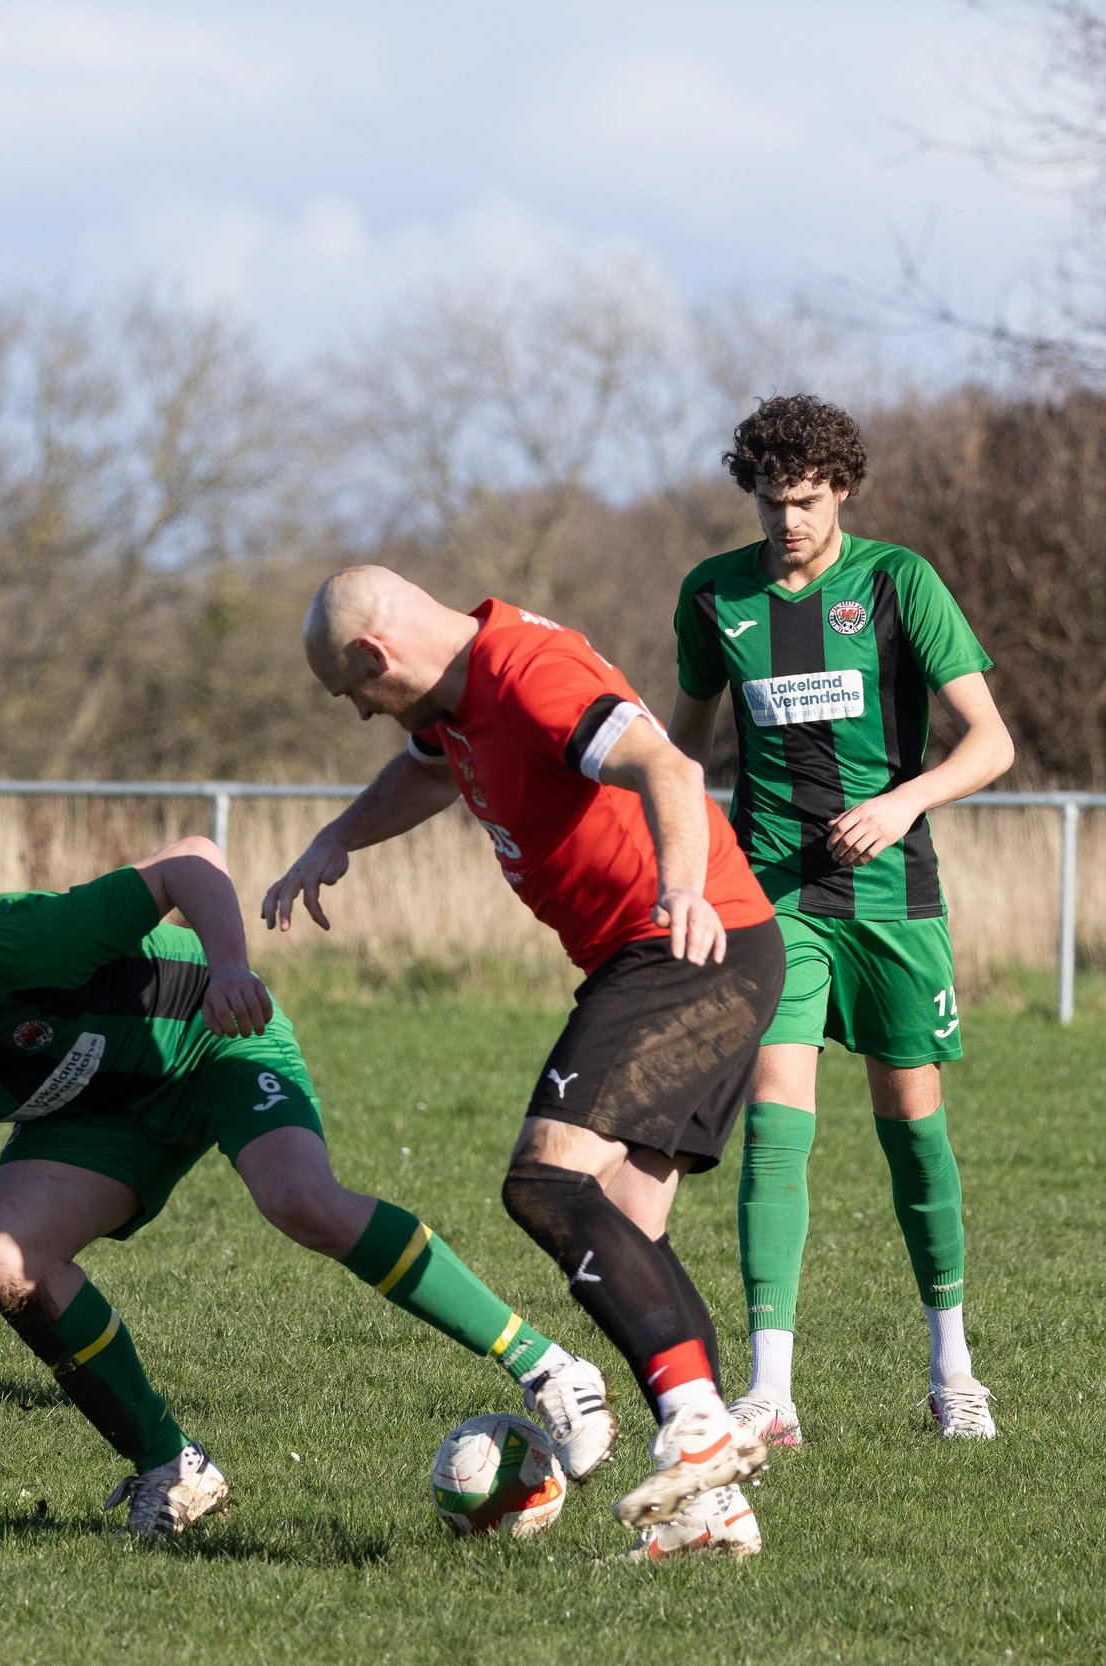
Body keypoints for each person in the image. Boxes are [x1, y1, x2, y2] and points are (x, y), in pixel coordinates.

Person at [0, 835, 614, 1539]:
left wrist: (228, 968)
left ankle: (547, 1365)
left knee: (299, 1199)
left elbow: (192, 861)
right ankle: (171, 1467)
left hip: (210, 1038)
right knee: (2, 1253)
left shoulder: (13, 945)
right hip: (101, 1116)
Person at [263, 568, 787, 1561]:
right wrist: (337, 839)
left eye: (352, 693)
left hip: (681, 949)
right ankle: (712, 1508)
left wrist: (681, 889)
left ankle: (701, 1426)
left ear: (375, 656)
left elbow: (668, 767)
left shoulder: (528, 671)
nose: (363, 713)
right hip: (679, 955)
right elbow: (422, 770)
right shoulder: (455, 703)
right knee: (627, 1232)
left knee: (543, 1181)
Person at [668, 396, 1017, 1445]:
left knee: (912, 1130)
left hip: (891, 898)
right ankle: (770, 1388)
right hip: (769, 892)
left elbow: (990, 741)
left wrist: (903, 799)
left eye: (807, 501)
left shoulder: (898, 582)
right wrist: (682, 872)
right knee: (775, 1124)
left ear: (842, 492)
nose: (788, 522)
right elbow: (679, 755)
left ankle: (952, 1364)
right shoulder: (712, 595)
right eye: (772, 502)